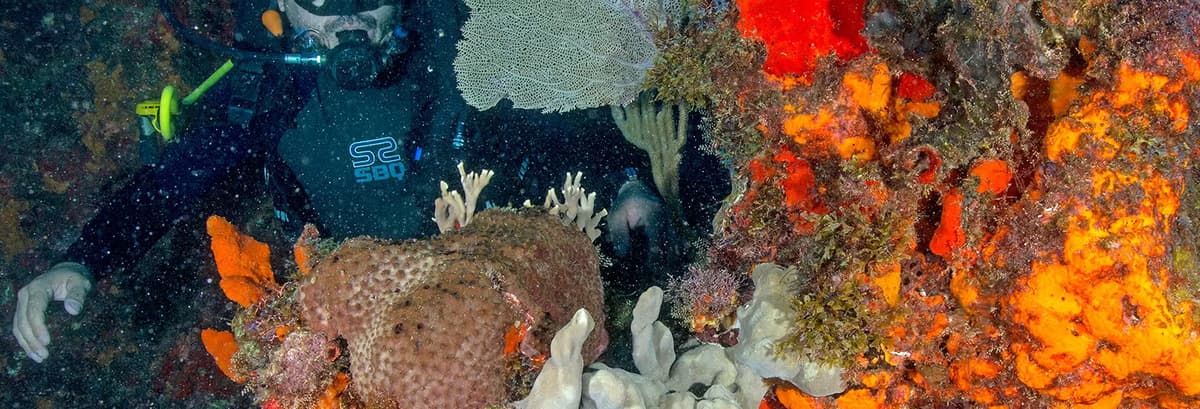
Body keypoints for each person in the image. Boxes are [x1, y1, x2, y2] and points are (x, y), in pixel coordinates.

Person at [11, 0, 693, 364]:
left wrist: (626, 178)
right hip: (353, 311)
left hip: (499, 291)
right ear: (284, 5)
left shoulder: (454, 50)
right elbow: (171, 182)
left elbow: (554, 121)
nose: (348, 20)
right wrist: (84, 257)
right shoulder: (266, 90)